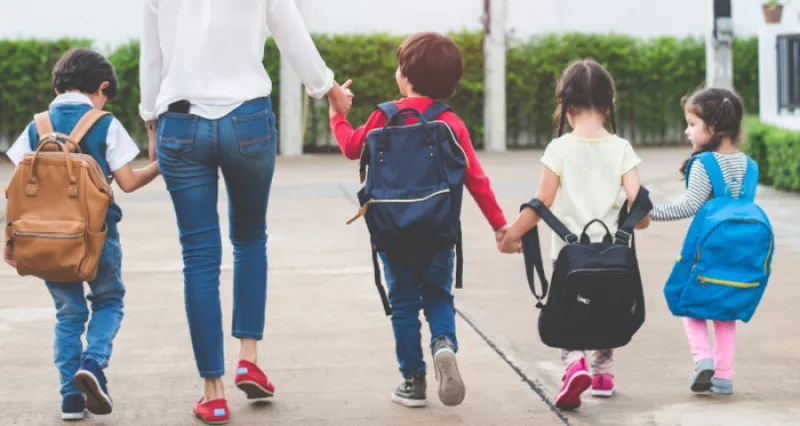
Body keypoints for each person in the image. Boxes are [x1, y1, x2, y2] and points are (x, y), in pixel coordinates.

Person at [138, 0, 352, 424]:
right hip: (248, 119)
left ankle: (213, 394)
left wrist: (150, 121)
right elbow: (292, 32)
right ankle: (248, 360)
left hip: (180, 123)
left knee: (199, 256)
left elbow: (152, 56)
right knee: (250, 239)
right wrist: (329, 90)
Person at [329, 32, 508, 408]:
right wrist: (499, 225)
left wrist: (337, 115)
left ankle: (413, 381)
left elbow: (350, 148)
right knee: (439, 295)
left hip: (392, 231)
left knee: (405, 304)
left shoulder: (384, 116)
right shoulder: (450, 123)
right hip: (438, 230)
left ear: (405, 76)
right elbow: (476, 179)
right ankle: (443, 344)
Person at [3, 47, 160, 420]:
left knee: (68, 315)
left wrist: (11, 239)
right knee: (109, 301)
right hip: (97, 237)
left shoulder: (35, 126)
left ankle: (70, 401)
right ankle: (94, 362)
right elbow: (129, 182)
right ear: (101, 87)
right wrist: (160, 165)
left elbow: (17, 188)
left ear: (59, 86)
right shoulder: (104, 123)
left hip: (45, 241)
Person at [500, 59, 649, 410]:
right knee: (607, 306)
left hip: (569, 257)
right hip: (614, 254)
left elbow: (540, 204)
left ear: (566, 107)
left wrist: (510, 236)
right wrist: (633, 223)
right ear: (610, 105)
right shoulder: (623, 149)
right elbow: (639, 209)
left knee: (570, 312)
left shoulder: (559, 149)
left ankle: (574, 364)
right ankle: (602, 374)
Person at [650, 87, 749, 396]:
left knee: (687, 302)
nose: (686, 131)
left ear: (714, 127)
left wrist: (648, 212)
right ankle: (724, 376)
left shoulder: (705, 164)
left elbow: (687, 206)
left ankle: (703, 359)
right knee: (725, 310)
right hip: (739, 251)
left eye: (692, 124)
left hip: (706, 249)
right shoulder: (750, 165)